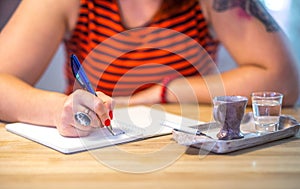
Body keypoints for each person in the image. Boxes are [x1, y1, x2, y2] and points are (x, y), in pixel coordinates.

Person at [0, 0, 298, 137]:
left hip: (188, 161)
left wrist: (165, 91)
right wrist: (59, 109)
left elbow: (283, 78)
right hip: (89, 154)